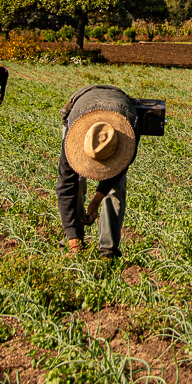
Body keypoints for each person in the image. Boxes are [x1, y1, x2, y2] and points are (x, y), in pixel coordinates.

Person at [56, 85, 143, 258]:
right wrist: (72, 235)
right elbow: (65, 186)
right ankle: (74, 239)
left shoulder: (129, 132)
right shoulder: (71, 140)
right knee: (77, 180)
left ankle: (108, 251)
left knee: (116, 187)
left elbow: (118, 171)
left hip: (120, 107)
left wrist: (96, 199)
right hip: (82, 107)